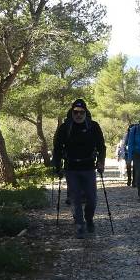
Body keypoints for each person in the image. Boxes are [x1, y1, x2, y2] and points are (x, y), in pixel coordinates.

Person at [52, 98, 106, 238]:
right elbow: (57, 148)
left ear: (85, 112)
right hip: (71, 168)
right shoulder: (65, 127)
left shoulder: (93, 126)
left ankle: (89, 219)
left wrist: (101, 162)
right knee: (75, 198)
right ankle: (80, 224)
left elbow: (101, 147)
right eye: (76, 112)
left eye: (81, 112)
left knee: (92, 199)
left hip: (88, 167)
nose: (78, 115)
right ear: (72, 112)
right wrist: (57, 166)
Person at [120, 122, 134, 186]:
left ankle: (134, 180)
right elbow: (123, 144)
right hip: (127, 153)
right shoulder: (126, 135)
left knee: (135, 166)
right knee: (128, 166)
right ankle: (129, 179)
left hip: (135, 153)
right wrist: (123, 153)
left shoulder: (137, 135)